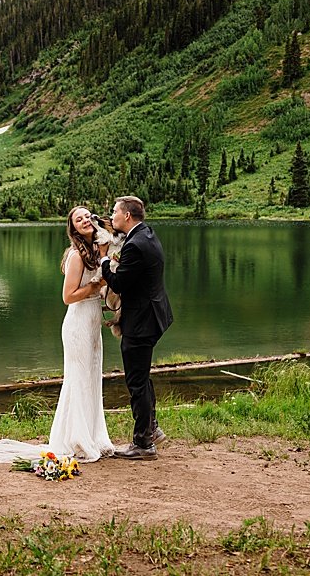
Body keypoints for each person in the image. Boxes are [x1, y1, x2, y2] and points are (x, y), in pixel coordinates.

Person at [0, 206, 115, 464]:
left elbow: (109, 246)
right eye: (79, 219)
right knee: (78, 379)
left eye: (88, 216)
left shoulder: (97, 251)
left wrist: (104, 232)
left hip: (93, 323)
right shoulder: (76, 256)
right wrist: (96, 285)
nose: (85, 220)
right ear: (73, 228)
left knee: (92, 378)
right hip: (78, 324)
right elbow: (67, 297)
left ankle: (93, 436)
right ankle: (76, 439)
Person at [101, 195, 173, 460]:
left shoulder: (135, 245)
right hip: (152, 315)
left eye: (115, 212)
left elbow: (118, 284)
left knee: (136, 380)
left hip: (142, 321)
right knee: (142, 376)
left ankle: (143, 444)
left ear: (127, 216)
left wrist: (104, 262)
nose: (112, 216)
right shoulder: (146, 235)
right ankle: (151, 430)